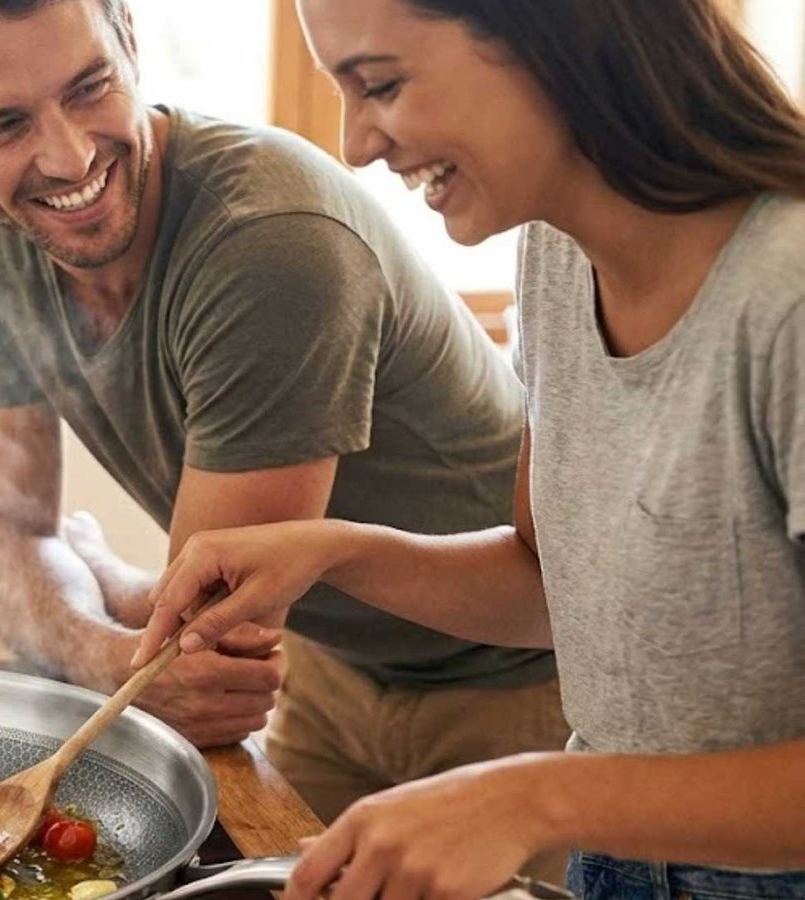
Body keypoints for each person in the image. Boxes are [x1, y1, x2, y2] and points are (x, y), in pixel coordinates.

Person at [0, 0, 570, 840]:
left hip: (524, 692)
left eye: (89, 87)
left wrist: (106, 591)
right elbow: (8, 534)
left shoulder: (271, 245)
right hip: (330, 671)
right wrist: (101, 643)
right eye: (3, 125)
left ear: (130, 40)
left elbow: (196, 645)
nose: (70, 153)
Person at [134, 0, 805, 897]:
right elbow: (552, 586)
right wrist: (335, 552)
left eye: (381, 84)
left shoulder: (787, 296)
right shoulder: (557, 257)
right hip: (629, 865)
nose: (356, 144)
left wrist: (535, 799)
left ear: (557, 31)